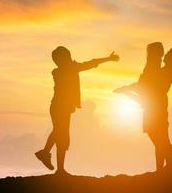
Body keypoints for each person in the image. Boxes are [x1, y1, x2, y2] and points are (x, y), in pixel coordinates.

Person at [36, 46, 119, 174]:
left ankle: (55, 163)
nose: (70, 57)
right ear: (62, 59)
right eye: (67, 55)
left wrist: (107, 59)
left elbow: (90, 63)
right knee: (60, 134)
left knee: (61, 135)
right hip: (59, 107)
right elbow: (91, 63)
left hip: (61, 107)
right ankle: (48, 156)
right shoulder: (66, 70)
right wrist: (108, 59)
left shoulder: (63, 70)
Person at [114, 43, 172, 171]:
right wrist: (127, 89)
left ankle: (167, 167)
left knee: (161, 139)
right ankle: (161, 169)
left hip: (157, 106)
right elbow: (145, 84)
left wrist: (127, 90)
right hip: (154, 105)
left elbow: (148, 84)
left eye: (168, 54)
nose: (165, 55)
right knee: (158, 139)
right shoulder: (165, 69)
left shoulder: (168, 71)